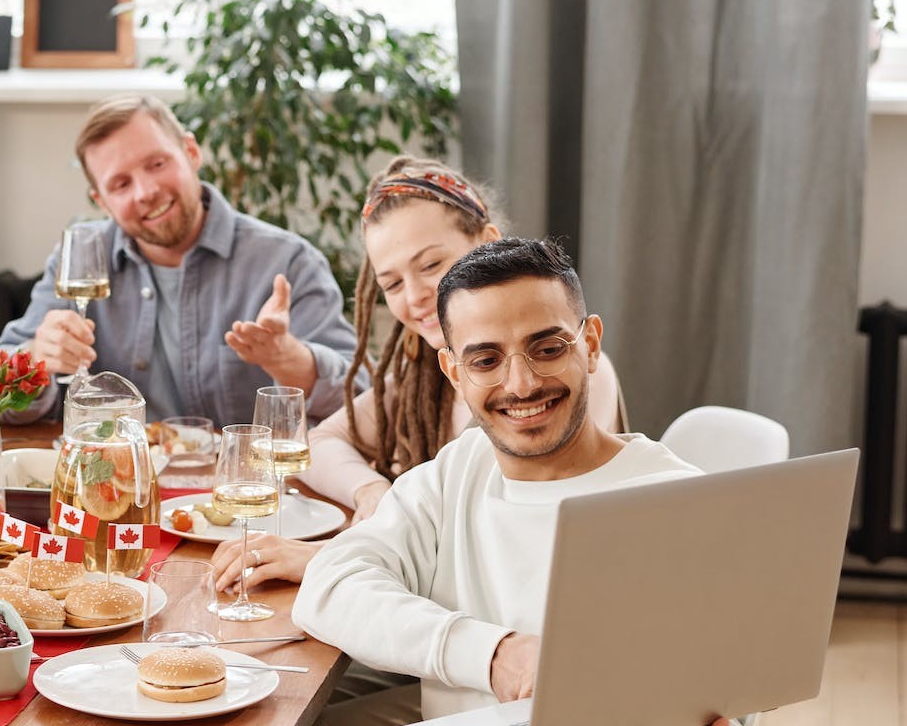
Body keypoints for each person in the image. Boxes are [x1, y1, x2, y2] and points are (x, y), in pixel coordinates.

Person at [85, 238, 743, 726]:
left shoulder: (684, 507)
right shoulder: (457, 474)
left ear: (589, 345)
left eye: (547, 347)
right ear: (453, 369)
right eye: (487, 358)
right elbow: (331, 583)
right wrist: (493, 654)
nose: (521, 381)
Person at [210, 157, 624, 594]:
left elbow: (507, 550)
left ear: (487, 243)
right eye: (391, 284)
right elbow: (322, 441)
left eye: (430, 266)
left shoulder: (568, 376)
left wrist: (327, 558)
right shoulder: (429, 376)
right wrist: (370, 490)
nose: (416, 296)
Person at [0, 94, 362, 427]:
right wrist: (35, 361)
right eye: (121, 185)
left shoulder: (288, 261)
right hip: (110, 486)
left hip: (240, 490)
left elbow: (361, 396)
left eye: (156, 164)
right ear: (101, 201)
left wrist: (291, 359)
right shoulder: (79, 261)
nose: (146, 192)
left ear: (191, 151)